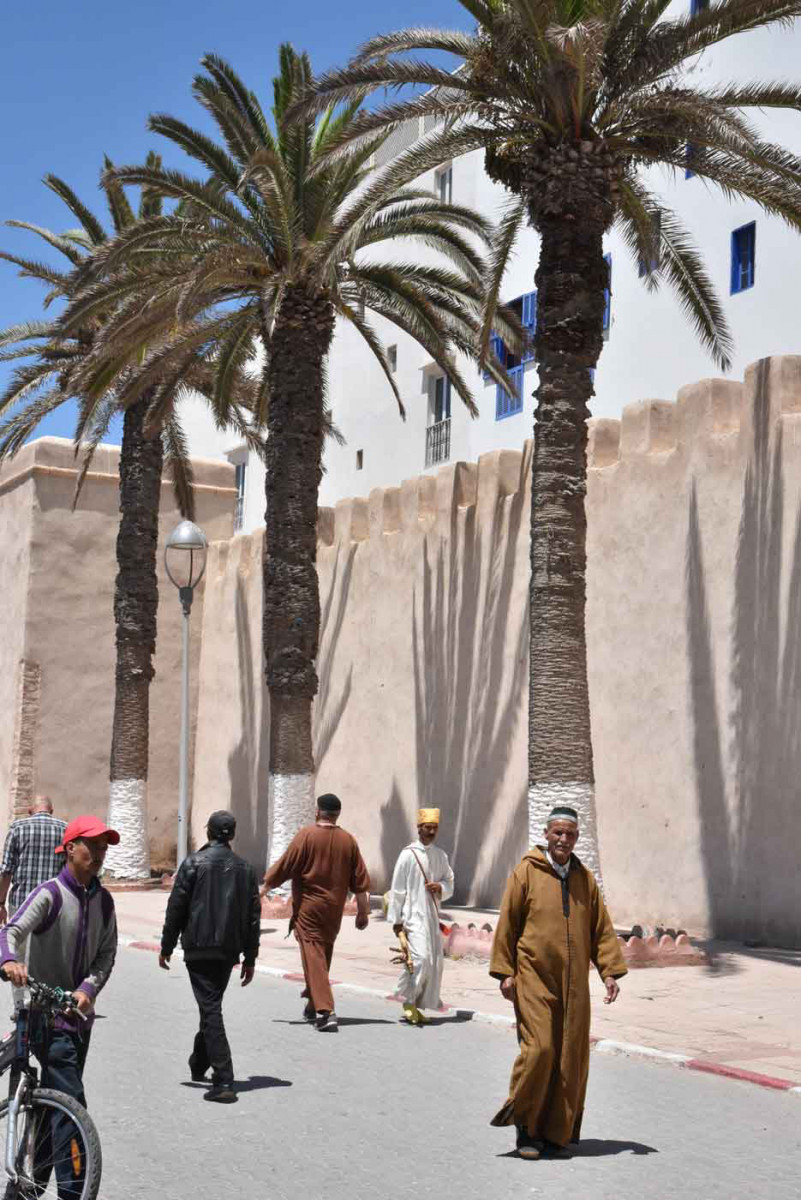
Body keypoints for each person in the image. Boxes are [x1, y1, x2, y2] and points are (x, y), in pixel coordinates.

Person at [490, 804, 628, 1160]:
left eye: (570, 834)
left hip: (574, 985)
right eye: (557, 833)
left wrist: (609, 970)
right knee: (540, 1051)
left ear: (577, 838)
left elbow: (600, 928)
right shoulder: (526, 873)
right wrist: (505, 972)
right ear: (547, 835)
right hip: (534, 977)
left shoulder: (584, 879)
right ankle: (527, 1129)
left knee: (569, 1057)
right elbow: (508, 923)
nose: (563, 840)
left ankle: (554, 1133)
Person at [0, 814, 120, 1199]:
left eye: (104, 847)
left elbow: (106, 953)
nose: (99, 854)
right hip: (44, 1017)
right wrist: (9, 961)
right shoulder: (49, 893)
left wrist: (88, 987)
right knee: (71, 1108)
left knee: (54, 1106)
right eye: (93, 845)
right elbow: (11, 931)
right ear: (70, 849)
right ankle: (74, 1192)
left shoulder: (104, 900)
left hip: (79, 1020)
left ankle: (25, 1189)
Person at [160, 810, 261, 1104]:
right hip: (228, 951)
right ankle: (198, 1061)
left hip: (199, 948)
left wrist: (166, 946)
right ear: (231, 835)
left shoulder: (193, 863)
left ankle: (224, 1079)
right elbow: (253, 918)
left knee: (210, 1008)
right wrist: (250, 957)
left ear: (209, 832)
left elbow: (176, 908)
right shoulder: (244, 869)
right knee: (211, 1005)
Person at [262, 793, 370, 1033]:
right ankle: (313, 1003)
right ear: (338, 814)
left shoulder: (306, 836)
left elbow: (285, 866)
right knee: (323, 955)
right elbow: (361, 882)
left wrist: (264, 890)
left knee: (314, 955)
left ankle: (326, 1011)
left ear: (317, 811)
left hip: (309, 908)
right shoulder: (348, 840)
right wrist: (363, 912)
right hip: (334, 911)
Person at [386, 807, 455, 1026]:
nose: (432, 831)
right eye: (428, 827)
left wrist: (440, 887)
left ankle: (416, 1005)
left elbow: (449, 881)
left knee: (433, 962)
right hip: (413, 916)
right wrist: (396, 921)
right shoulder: (408, 854)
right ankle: (408, 1002)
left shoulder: (440, 855)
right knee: (420, 959)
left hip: (432, 916)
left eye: (435, 828)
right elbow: (397, 890)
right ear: (419, 828)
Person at [0, 795, 67, 921]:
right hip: (53, 904)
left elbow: (6, 871)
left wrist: (1, 903)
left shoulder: (17, 828)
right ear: (51, 811)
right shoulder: (65, 829)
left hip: (21, 904)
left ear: (30, 811)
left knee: (19, 940)